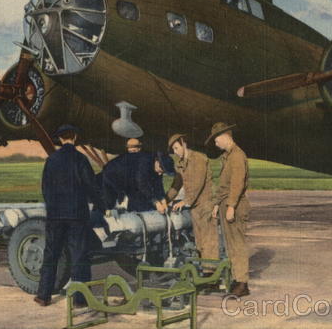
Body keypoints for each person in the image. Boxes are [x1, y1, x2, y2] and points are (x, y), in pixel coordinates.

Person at [34, 124, 108, 307]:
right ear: (75, 137)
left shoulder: (51, 160)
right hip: (77, 215)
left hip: (55, 216)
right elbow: (91, 186)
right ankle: (80, 299)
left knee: (51, 255)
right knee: (79, 256)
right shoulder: (81, 159)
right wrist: (101, 205)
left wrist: (52, 207)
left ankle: (43, 296)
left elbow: (45, 188)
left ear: (60, 139)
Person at [207, 122, 251, 297]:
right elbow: (224, 185)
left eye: (216, 140)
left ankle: (242, 284)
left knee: (237, 245)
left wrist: (231, 205)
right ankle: (237, 279)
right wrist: (218, 203)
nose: (215, 144)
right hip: (227, 203)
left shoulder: (237, 156)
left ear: (226, 136)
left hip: (236, 205)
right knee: (231, 245)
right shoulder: (228, 156)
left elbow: (237, 183)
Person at [166, 134, 219, 271]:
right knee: (200, 241)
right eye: (173, 150)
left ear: (183, 143)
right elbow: (177, 184)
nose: (175, 152)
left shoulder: (198, 159)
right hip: (195, 206)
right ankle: (206, 270)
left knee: (209, 240)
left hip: (206, 204)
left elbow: (198, 183)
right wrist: (165, 200)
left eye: (177, 148)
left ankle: (211, 273)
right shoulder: (180, 163)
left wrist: (185, 201)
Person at [101, 138, 173, 214]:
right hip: (112, 174)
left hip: (130, 176)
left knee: (143, 201)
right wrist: (156, 202)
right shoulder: (145, 163)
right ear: (157, 161)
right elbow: (142, 185)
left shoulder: (158, 166)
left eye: (163, 172)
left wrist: (163, 200)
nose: (160, 174)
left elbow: (158, 185)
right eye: (161, 170)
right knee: (110, 205)